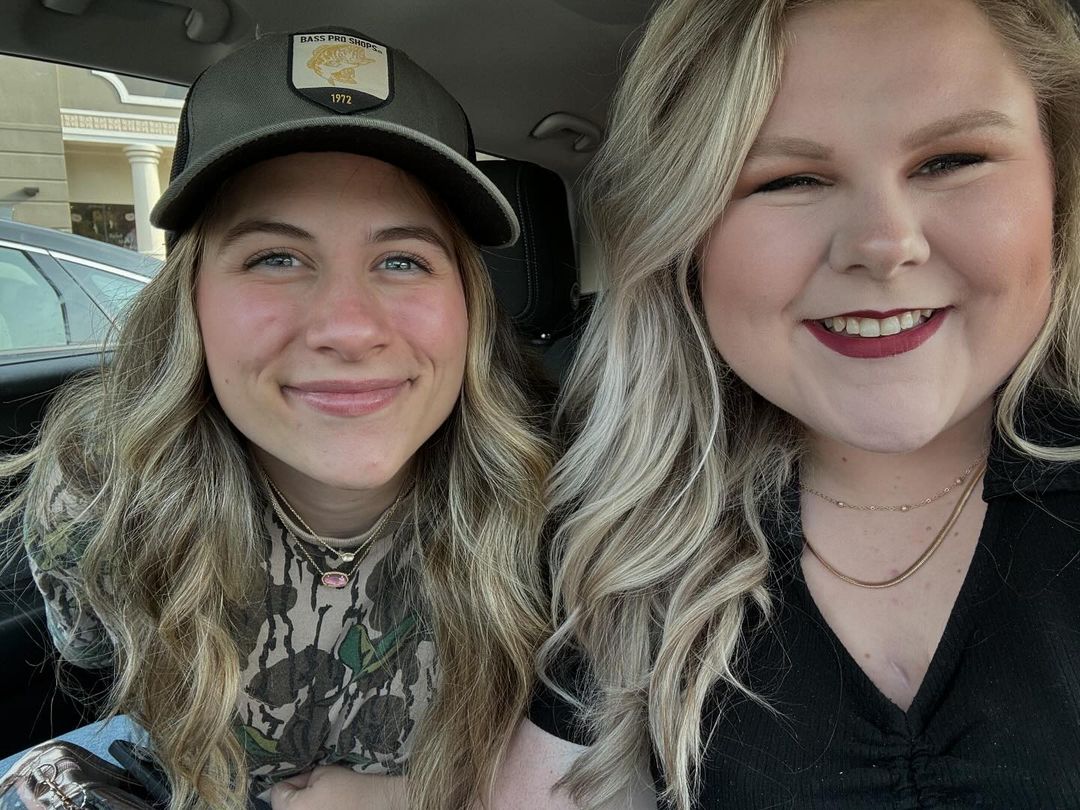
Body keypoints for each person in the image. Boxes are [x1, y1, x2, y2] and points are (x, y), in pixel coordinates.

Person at [496, 0, 1080, 807]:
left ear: (1059, 187)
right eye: (789, 179)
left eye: (953, 160)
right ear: (685, 240)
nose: (884, 244)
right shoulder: (623, 545)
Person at [0, 25, 552, 810]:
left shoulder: (573, 502)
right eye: (275, 257)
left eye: (402, 259)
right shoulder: (96, 486)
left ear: (469, 302)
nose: (349, 327)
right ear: (191, 301)